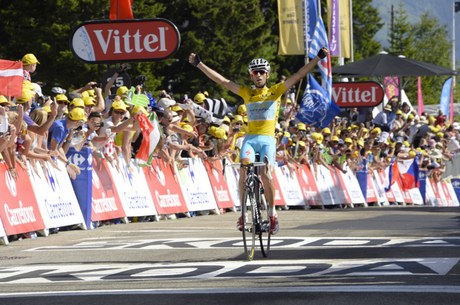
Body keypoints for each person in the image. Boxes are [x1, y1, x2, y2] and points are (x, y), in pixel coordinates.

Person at [189, 47, 329, 235]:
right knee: (243, 171)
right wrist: (199, 64)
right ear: (251, 75)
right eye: (255, 72)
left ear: (267, 75)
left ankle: (272, 214)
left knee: (266, 174)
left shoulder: (276, 90)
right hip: (250, 138)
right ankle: (244, 213)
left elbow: (299, 74)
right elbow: (221, 80)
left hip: (267, 140)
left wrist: (318, 58)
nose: (258, 75)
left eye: (262, 72)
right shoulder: (247, 92)